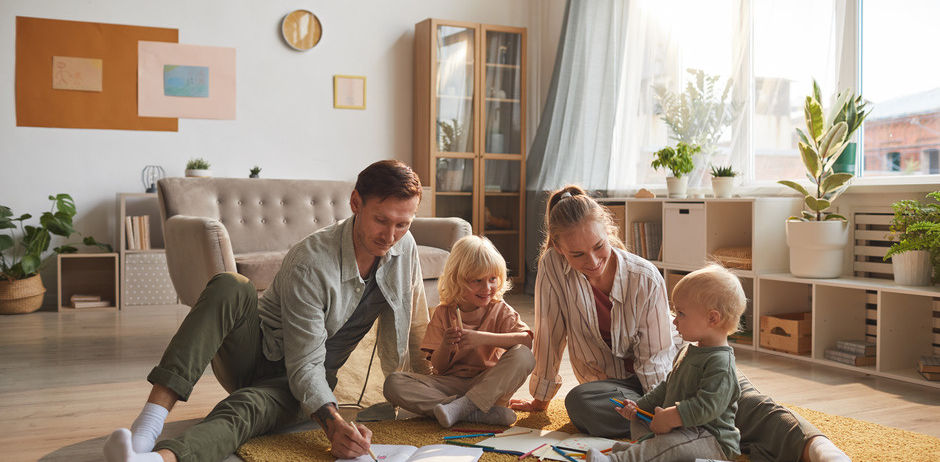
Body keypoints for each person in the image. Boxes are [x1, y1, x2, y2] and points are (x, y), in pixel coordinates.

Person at [103, 160, 431, 462]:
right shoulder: (312, 261)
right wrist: (333, 427)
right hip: (258, 354)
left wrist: (428, 389)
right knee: (230, 284)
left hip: (301, 385)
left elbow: (415, 320)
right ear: (356, 203)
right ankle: (147, 427)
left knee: (247, 409)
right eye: (381, 220)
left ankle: (152, 460)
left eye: (402, 224)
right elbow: (303, 362)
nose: (390, 236)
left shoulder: (404, 249)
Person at [510, 185, 849, 462]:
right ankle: (701, 431)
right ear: (559, 249)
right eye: (577, 255)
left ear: (608, 233)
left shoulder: (644, 276)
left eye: (599, 247)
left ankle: (817, 447)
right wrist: (541, 398)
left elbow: (657, 362)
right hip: (618, 386)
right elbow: (550, 331)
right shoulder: (553, 266)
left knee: (744, 401)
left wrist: (668, 414)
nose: (593, 261)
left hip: (677, 371)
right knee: (581, 402)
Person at [587, 264, 747, 462]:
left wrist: (671, 417)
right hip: (683, 430)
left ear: (712, 318)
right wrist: (639, 407)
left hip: (711, 440)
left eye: (681, 313)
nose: (674, 321)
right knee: (640, 421)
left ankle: (620, 459)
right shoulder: (689, 350)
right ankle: (644, 451)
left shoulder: (721, 363)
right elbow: (667, 386)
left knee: (670, 444)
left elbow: (707, 407)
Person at [384, 235, 534, 428]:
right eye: (477, 280)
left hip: (488, 385)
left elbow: (527, 341)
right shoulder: (443, 313)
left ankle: (463, 408)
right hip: (449, 385)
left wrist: (481, 338)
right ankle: (475, 413)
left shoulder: (500, 309)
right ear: (457, 280)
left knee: (524, 355)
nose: (487, 288)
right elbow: (439, 367)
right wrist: (446, 346)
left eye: (492, 279)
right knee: (393, 383)